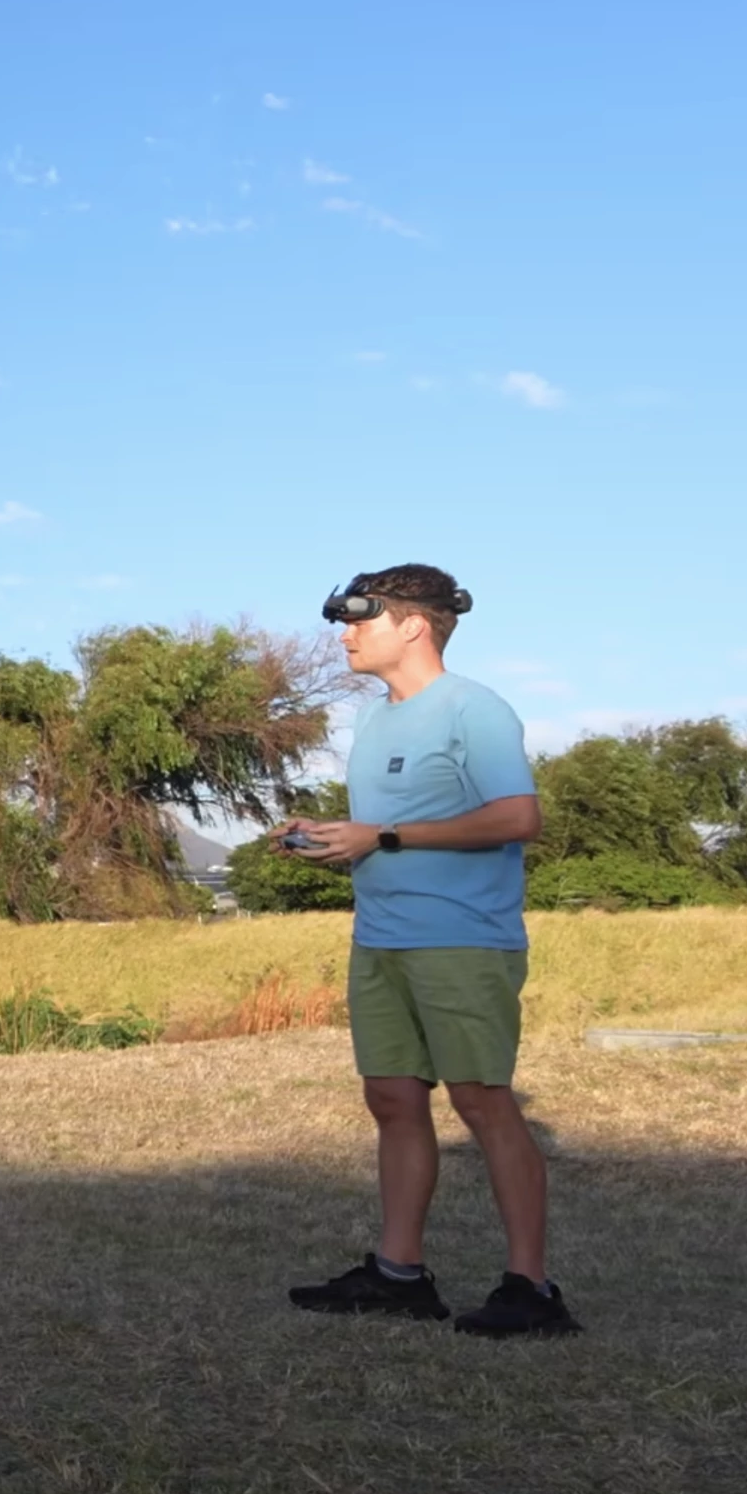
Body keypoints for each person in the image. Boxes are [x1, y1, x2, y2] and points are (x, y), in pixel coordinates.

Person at [276, 564, 582, 1338]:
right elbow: (389, 830)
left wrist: (380, 834)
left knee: (481, 1101)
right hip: (380, 938)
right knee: (393, 1100)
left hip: (462, 941)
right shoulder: (375, 721)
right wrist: (329, 839)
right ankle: (398, 1274)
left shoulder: (472, 709)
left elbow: (519, 817)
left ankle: (531, 1288)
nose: (344, 635)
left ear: (412, 624)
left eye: (358, 620)